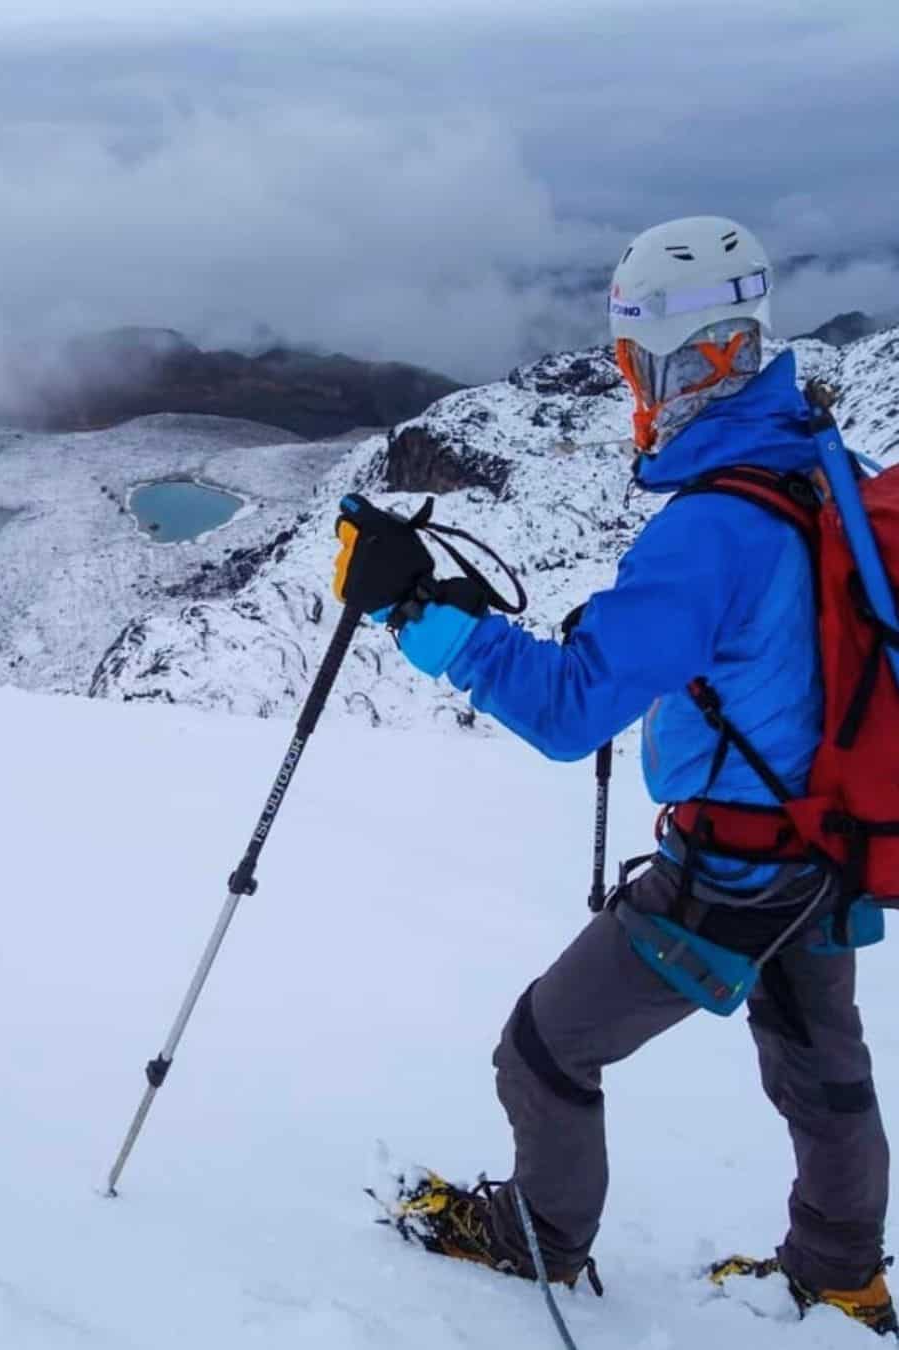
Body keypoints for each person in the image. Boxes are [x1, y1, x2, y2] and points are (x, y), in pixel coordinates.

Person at [332, 216, 894, 1336]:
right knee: (818, 1062)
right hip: (825, 841)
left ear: (711, 356)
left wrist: (416, 614)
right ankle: (841, 1275)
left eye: (646, 363)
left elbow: (568, 711)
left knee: (544, 1048)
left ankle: (539, 1238)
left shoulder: (713, 525)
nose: (637, 391)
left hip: (734, 869)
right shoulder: (822, 463)